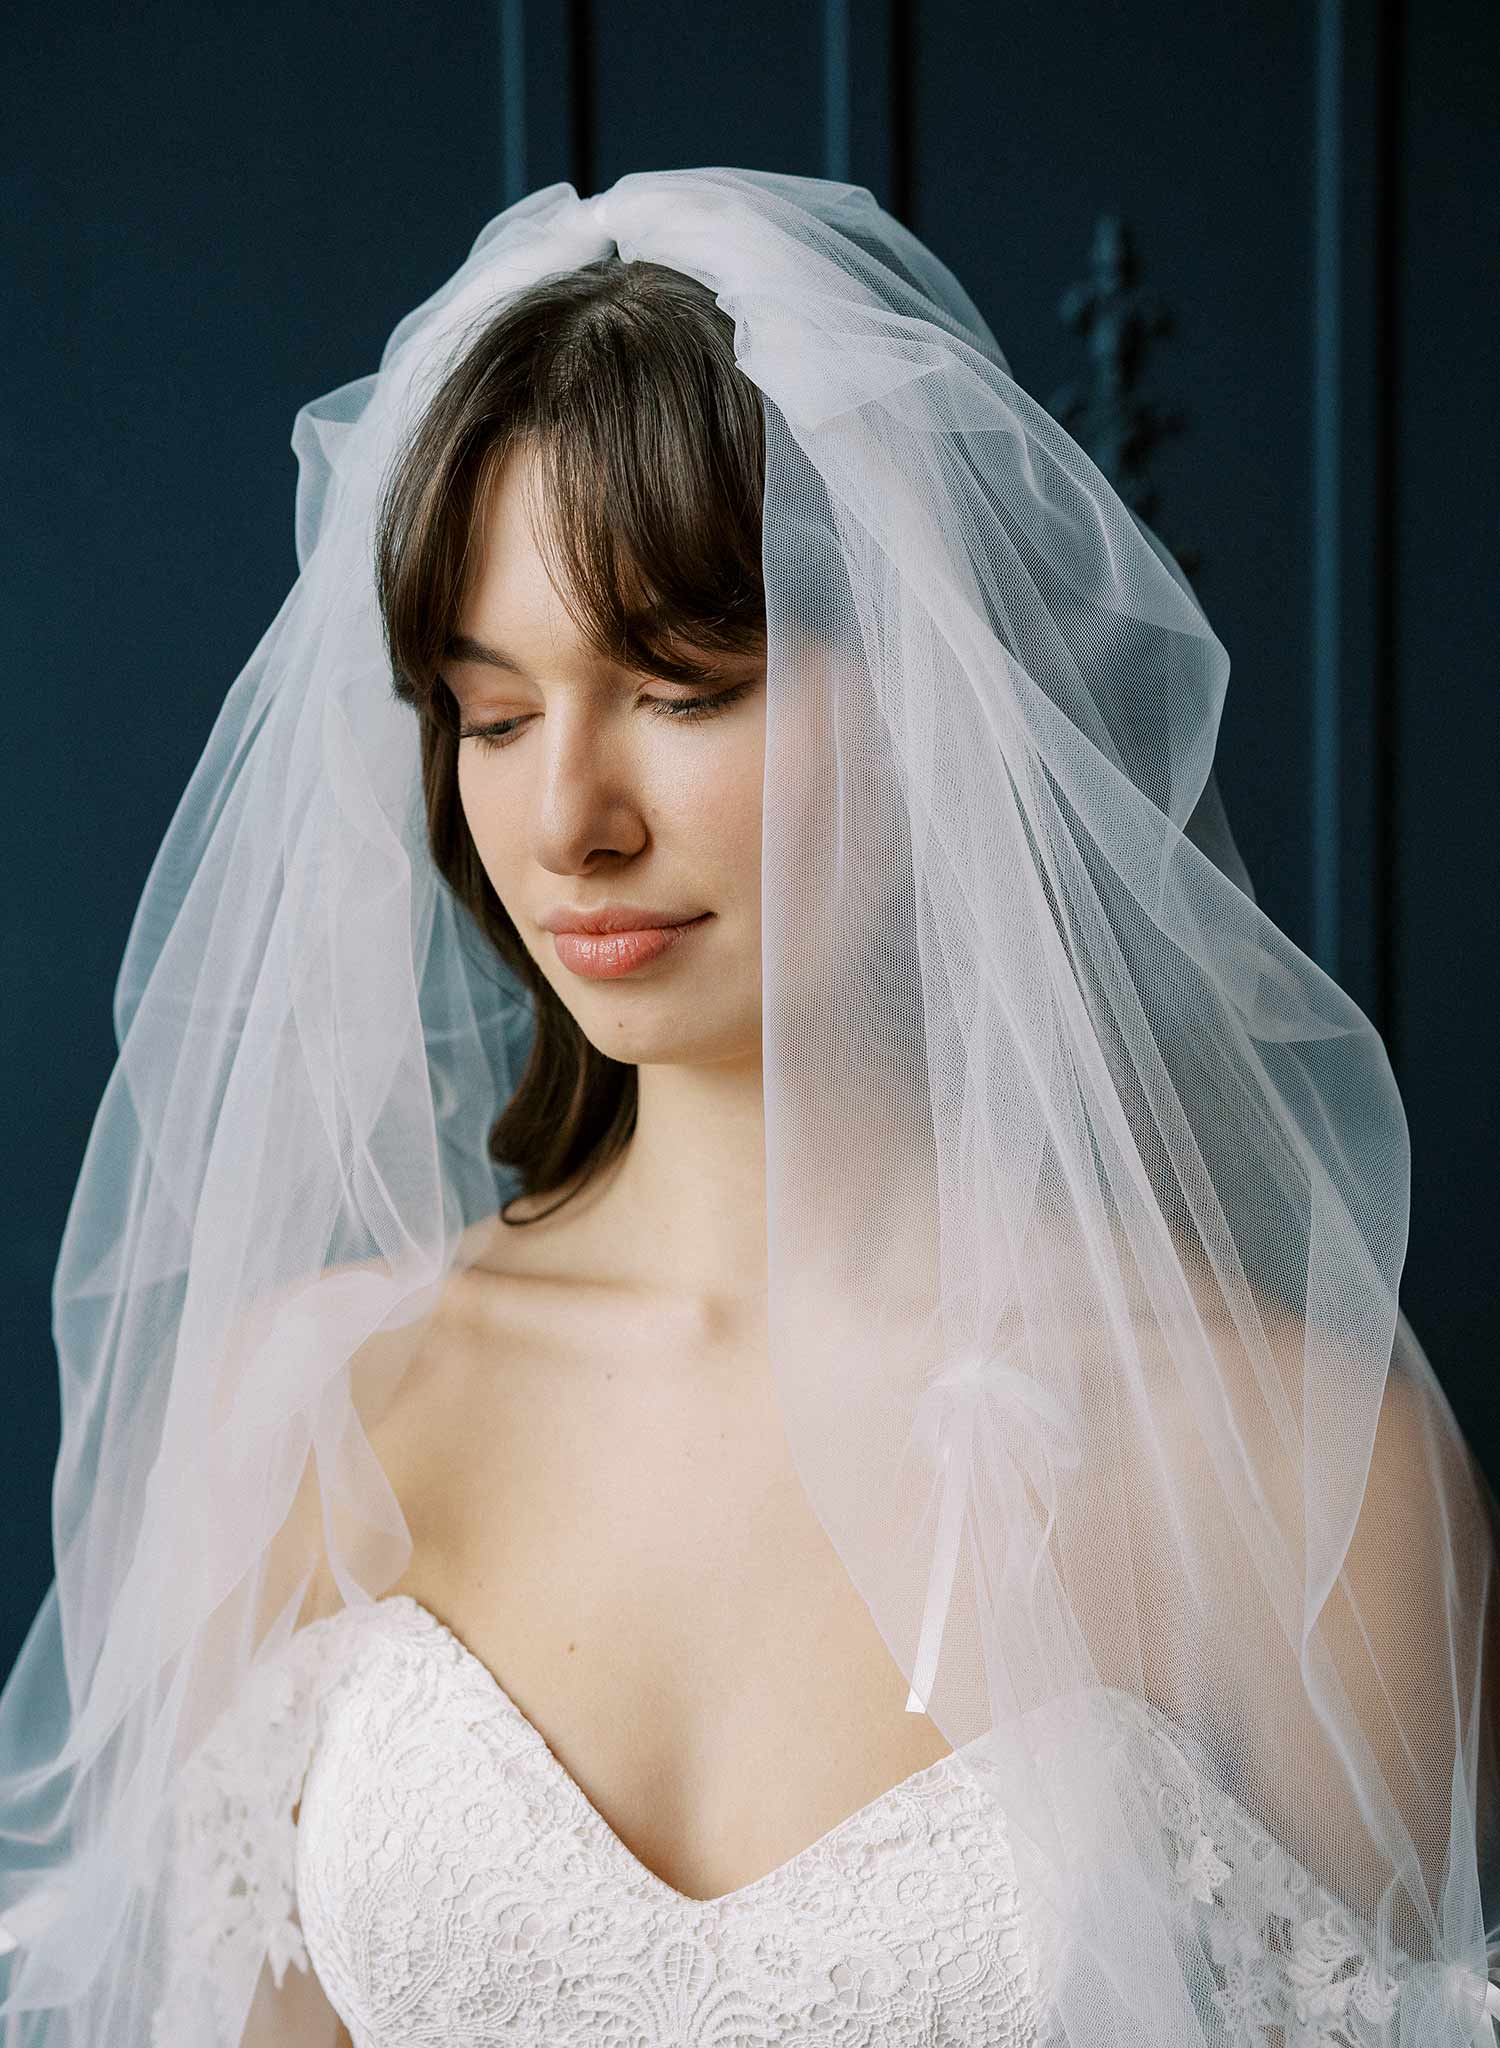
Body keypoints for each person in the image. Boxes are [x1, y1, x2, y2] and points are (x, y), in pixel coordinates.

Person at [1, 167, 1496, 2048]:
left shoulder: (1301, 1465)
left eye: (681, 687)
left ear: (937, 700)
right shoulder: (313, 1409)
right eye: (493, 713)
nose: (570, 826)